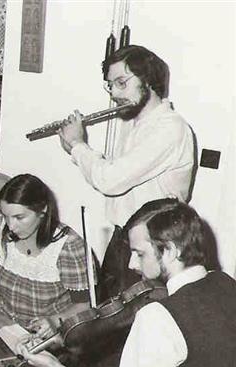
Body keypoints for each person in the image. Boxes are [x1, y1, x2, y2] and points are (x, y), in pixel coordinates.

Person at [21, 198, 236, 367]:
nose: (132, 265)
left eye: (139, 253)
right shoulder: (224, 283)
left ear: (170, 250)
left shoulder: (157, 317)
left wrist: (53, 366)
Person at [57, 45, 195, 301]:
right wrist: (78, 150)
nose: (114, 94)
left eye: (122, 83)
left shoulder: (170, 128)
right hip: (125, 238)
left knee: (135, 326)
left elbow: (110, 181)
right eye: (110, 85)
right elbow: (116, 177)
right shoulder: (138, 124)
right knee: (109, 322)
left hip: (155, 246)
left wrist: (78, 146)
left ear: (149, 79)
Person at [0, 174, 94, 339]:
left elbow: (86, 305)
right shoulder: (0, 226)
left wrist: (54, 321)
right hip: (5, 324)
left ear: (43, 210)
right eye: (5, 216)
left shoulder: (69, 246)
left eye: (19, 217)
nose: (10, 226)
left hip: (49, 337)